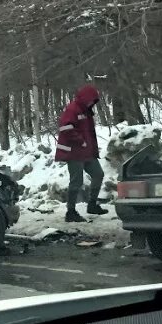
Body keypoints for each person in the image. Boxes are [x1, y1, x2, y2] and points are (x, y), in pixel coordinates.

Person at [55, 84, 108, 223]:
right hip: (73, 152)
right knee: (76, 181)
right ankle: (70, 211)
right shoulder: (73, 109)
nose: (92, 103)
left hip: (87, 152)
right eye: (91, 100)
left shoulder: (86, 111)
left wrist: (90, 146)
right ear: (86, 98)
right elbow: (65, 127)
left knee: (98, 174)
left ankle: (92, 204)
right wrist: (80, 140)